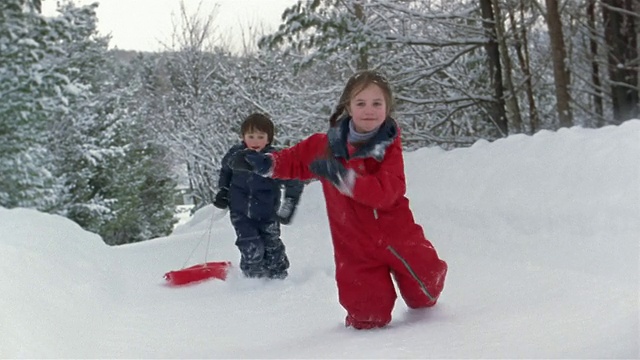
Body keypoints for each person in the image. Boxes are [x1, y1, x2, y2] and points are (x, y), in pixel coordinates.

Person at [231, 70, 448, 329]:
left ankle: (423, 299)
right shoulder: (326, 145)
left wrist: (346, 179)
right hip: (354, 246)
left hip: (398, 236)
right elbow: (295, 160)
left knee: (426, 288)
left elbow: (388, 191)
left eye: (377, 103)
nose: (369, 110)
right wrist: (266, 164)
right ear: (348, 106)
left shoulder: (388, 146)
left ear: (388, 107)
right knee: (367, 316)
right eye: (361, 103)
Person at [213, 113, 304, 280]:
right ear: (243, 137)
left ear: (268, 139)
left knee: (271, 243)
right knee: (249, 243)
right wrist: (224, 191)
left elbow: (293, 180)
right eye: (251, 136)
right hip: (240, 211)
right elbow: (226, 172)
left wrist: (289, 202)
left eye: (260, 137)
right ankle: (253, 279)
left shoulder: (274, 160)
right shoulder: (235, 155)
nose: (255, 141)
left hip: (268, 212)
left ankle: (278, 275)